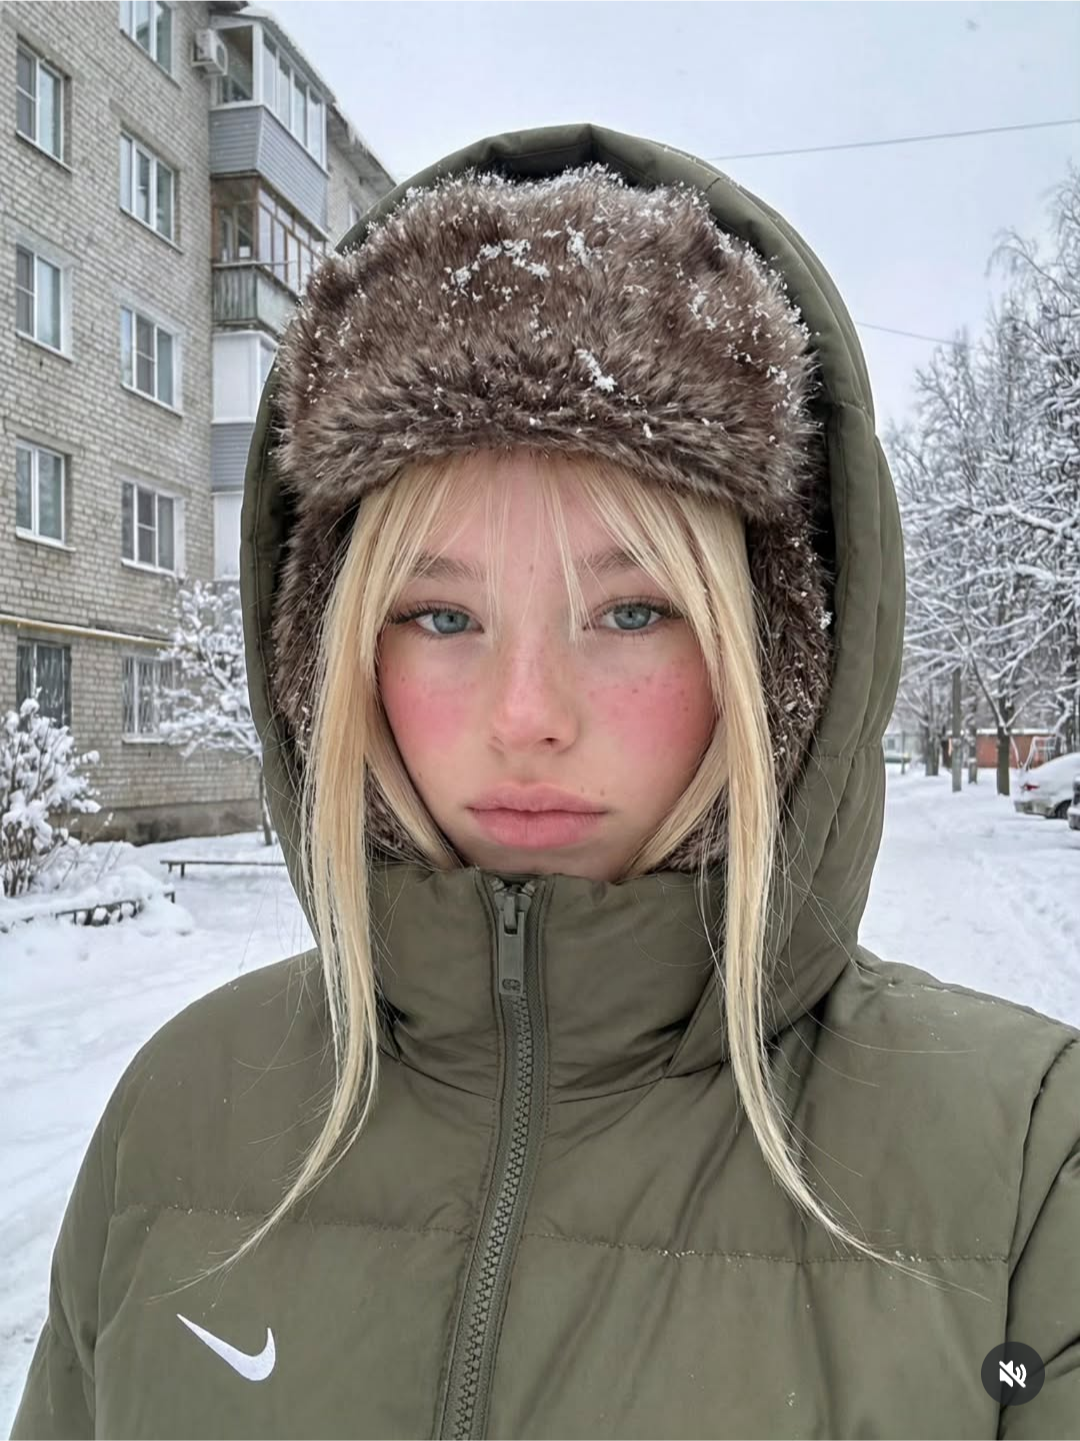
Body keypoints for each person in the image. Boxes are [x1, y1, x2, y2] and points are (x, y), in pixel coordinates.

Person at [12, 123, 1079, 1441]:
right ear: (333, 655)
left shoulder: (1025, 1168)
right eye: (441, 616)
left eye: (632, 612)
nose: (526, 719)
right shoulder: (180, 1118)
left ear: (777, 653)